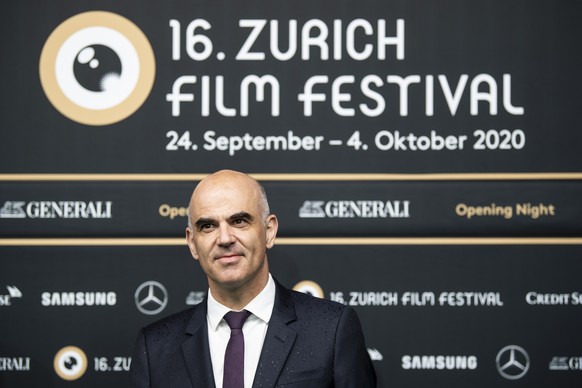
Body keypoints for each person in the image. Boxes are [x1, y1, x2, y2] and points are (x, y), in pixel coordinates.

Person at [130, 169, 377, 387]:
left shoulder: (331, 329)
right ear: (192, 243)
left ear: (269, 231)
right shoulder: (155, 348)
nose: (224, 238)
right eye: (208, 226)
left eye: (239, 221)